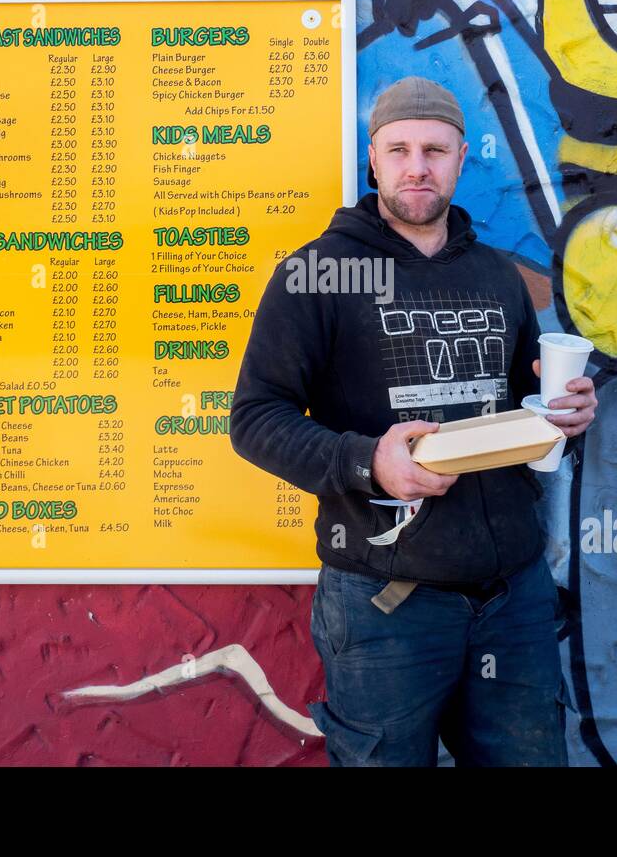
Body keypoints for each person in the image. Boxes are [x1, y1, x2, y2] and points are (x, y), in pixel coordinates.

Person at [229, 76, 597, 766]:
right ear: (372, 160)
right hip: (385, 606)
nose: (417, 166)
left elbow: (521, 404)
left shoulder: (497, 277)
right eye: (398, 149)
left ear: (462, 156)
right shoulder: (316, 273)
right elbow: (254, 418)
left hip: (513, 598)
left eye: (435, 149)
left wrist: (564, 411)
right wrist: (371, 462)